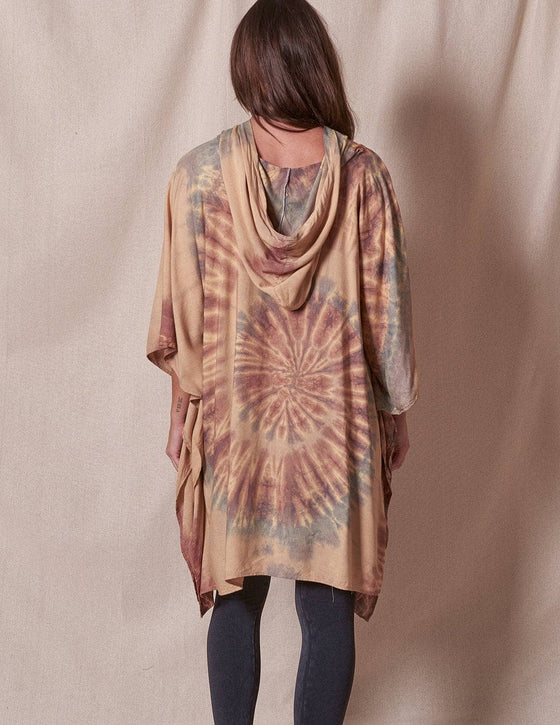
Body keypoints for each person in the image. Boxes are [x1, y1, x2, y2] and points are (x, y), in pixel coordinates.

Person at [145, 0, 420, 722]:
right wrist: (394, 413)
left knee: (236, 599)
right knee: (327, 612)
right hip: (337, 431)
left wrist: (181, 418)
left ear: (248, 69)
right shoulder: (364, 178)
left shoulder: (198, 176)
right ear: (313, 64)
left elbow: (184, 317)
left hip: (235, 428)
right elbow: (388, 311)